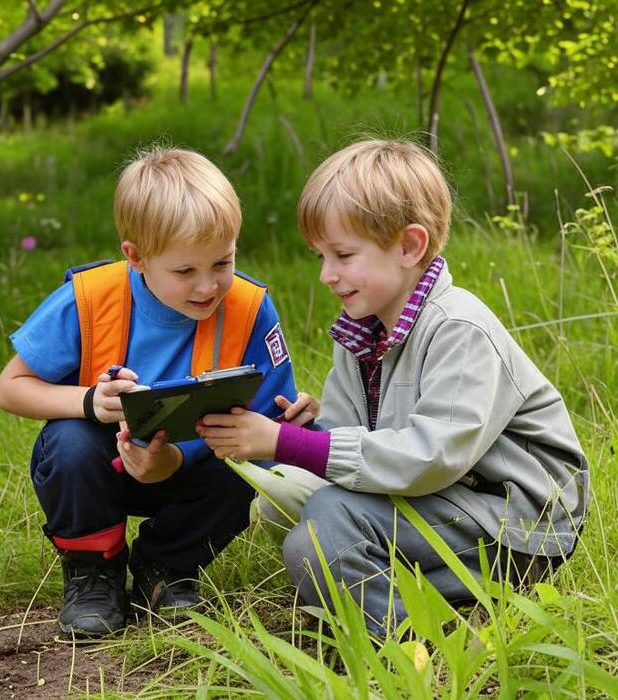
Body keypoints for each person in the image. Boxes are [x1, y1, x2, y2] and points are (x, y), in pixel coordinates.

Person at [197, 139, 589, 635]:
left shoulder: (458, 327)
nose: (326, 275)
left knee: (324, 525)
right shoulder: (361, 330)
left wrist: (285, 442)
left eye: (342, 255)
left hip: (516, 524)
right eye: (320, 256)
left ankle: (403, 638)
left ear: (409, 246)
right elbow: (353, 443)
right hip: (446, 505)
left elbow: (432, 456)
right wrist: (308, 431)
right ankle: (431, 595)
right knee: (283, 503)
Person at [0, 146, 298, 636]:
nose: (209, 286)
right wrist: (89, 402)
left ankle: (167, 567)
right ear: (135, 257)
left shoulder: (250, 307)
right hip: (104, 466)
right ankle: (94, 572)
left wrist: (296, 420)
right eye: (185, 272)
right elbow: (10, 388)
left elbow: (273, 421)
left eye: (222, 262)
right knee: (68, 444)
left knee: (247, 474)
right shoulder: (90, 298)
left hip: (195, 471)